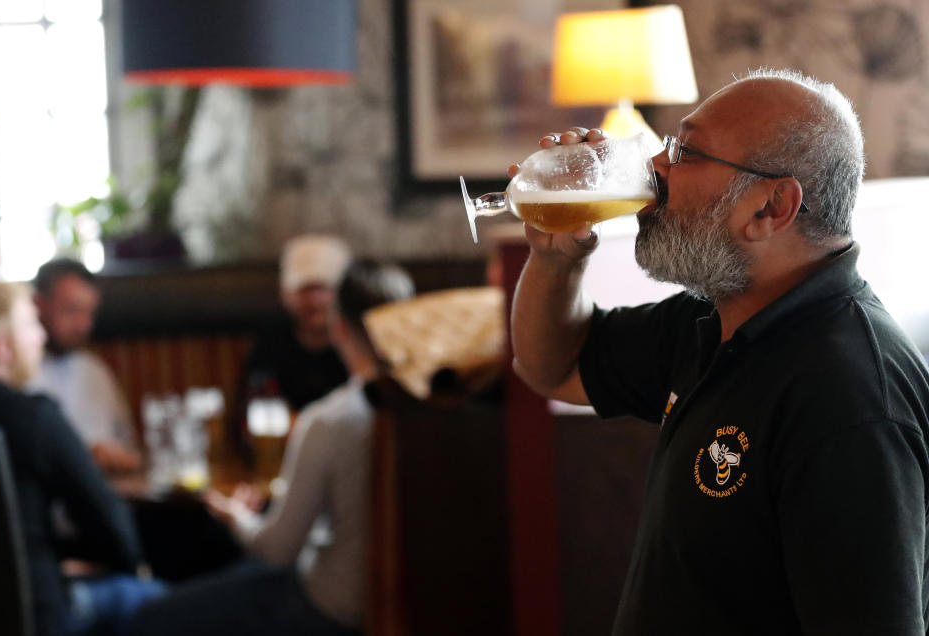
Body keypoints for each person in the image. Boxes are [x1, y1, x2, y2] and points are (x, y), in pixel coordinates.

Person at [511, 68, 929, 634]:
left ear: (771, 206)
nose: (656, 166)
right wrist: (558, 259)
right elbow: (554, 368)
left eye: (685, 151)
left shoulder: (850, 399)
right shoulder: (720, 315)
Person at [128, 259, 414, 635]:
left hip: (332, 608)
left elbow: (279, 549)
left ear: (339, 328)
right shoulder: (437, 405)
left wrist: (235, 516)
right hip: (411, 602)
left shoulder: (330, 419)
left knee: (153, 617)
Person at [0, 281, 164, 636]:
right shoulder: (31, 417)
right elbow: (112, 526)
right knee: (157, 598)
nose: (40, 337)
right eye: (30, 324)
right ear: (0, 347)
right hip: (38, 615)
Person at [230, 235, 352, 457]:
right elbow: (249, 420)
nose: (315, 300)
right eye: (305, 289)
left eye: (323, 288)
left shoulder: (358, 349)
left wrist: (296, 423)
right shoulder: (269, 344)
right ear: (285, 295)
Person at [29, 258, 140, 473]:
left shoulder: (95, 372)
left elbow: (129, 448)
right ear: (38, 304)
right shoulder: (16, 374)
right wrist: (85, 456)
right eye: (71, 310)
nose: (84, 325)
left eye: (89, 313)